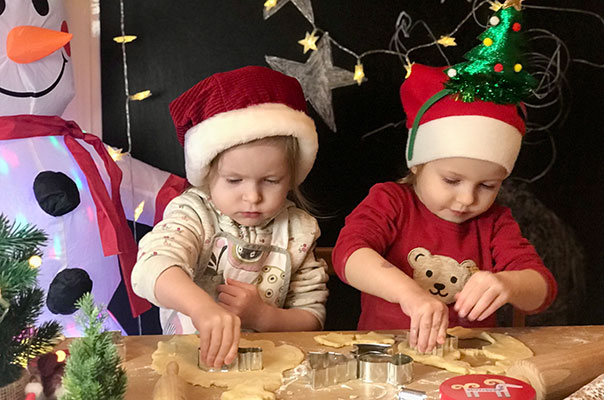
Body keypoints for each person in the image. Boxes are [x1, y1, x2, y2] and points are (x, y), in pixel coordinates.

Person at [332, 64, 557, 353]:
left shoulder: (495, 222)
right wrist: (409, 294)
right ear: (417, 164)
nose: (466, 198)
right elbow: (349, 254)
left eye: (487, 185)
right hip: (383, 355)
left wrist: (508, 284)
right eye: (452, 180)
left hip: (469, 360)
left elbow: (542, 289)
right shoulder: (391, 201)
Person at [132, 66, 329, 369]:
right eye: (234, 181)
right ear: (207, 175)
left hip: (273, 368)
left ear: (291, 177)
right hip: (189, 364)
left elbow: (312, 318)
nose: (252, 196)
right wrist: (201, 308)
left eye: (271, 180)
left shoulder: (298, 232)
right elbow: (150, 268)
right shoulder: (193, 214)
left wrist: (264, 317)